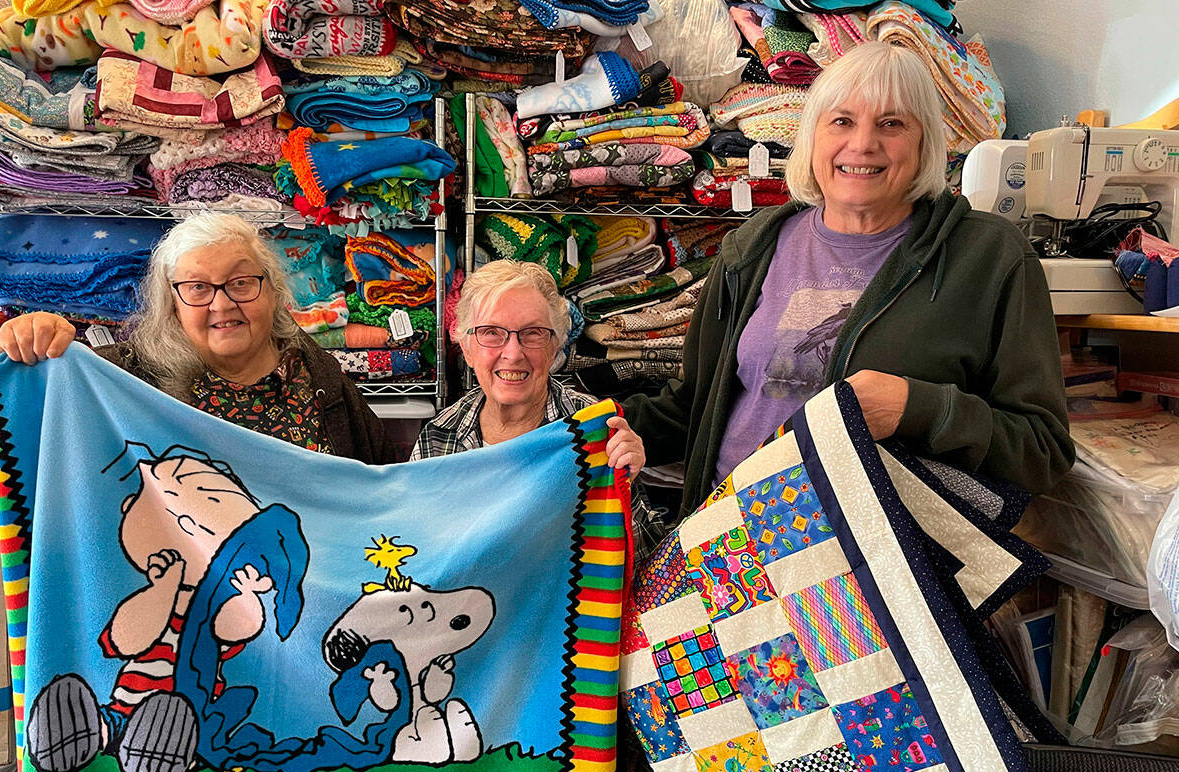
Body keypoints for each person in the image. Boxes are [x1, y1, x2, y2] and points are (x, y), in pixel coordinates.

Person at [624, 41, 1074, 517]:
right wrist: (599, 428)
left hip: (877, 554)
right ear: (812, 136)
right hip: (733, 538)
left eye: (891, 124)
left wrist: (916, 408)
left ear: (924, 142)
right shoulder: (755, 244)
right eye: (841, 121)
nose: (862, 144)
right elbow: (694, 405)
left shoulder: (989, 256)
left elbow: (1042, 451)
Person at [0, 212, 401, 487]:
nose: (223, 303)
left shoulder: (315, 373)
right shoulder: (124, 381)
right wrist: (4, 355)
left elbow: (379, 481)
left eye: (242, 282)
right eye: (198, 288)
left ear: (273, 291)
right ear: (172, 304)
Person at [411, 259, 655, 531]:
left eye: (533, 333)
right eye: (491, 332)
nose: (513, 354)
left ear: (555, 347)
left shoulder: (594, 430)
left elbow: (643, 553)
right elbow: (418, 544)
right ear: (467, 349)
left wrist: (626, 486)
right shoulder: (439, 436)